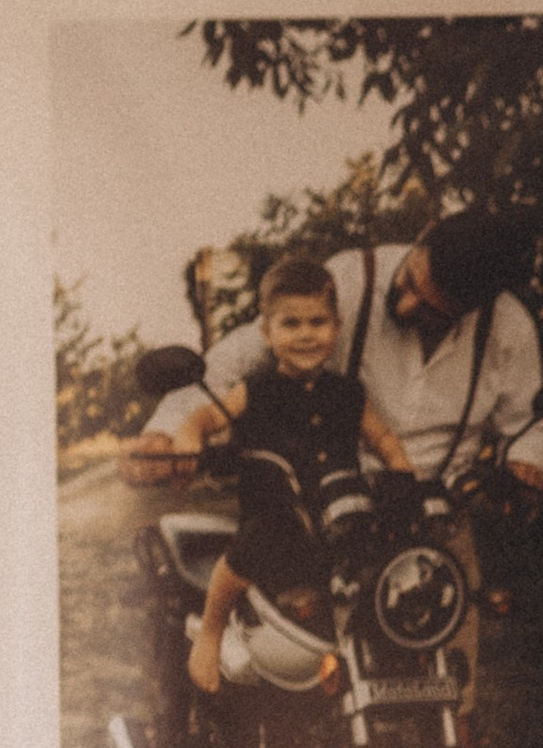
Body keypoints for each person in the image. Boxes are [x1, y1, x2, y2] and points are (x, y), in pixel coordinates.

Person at [200, 215, 543, 748]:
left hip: (431, 507)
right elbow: (238, 358)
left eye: (434, 309)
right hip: (332, 503)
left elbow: (525, 419)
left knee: (448, 670)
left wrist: (526, 461)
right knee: (317, 656)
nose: (408, 305)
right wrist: (172, 434)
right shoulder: (352, 277)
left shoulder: (510, 331)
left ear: (482, 305)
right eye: (410, 281)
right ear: (423, 234)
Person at [161, 256, 417, 694]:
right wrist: (189, 434)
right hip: (274, 511)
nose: (305, 334)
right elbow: (205, 416)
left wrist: (405, 474)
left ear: (336, 327)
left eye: (317, 322)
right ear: (267, 332)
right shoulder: (258, 388)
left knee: (385, 553)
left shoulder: (348, 393)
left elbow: (384, 439)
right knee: (258, 540)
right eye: (290, 323)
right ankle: (210, 631)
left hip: (337, 514)